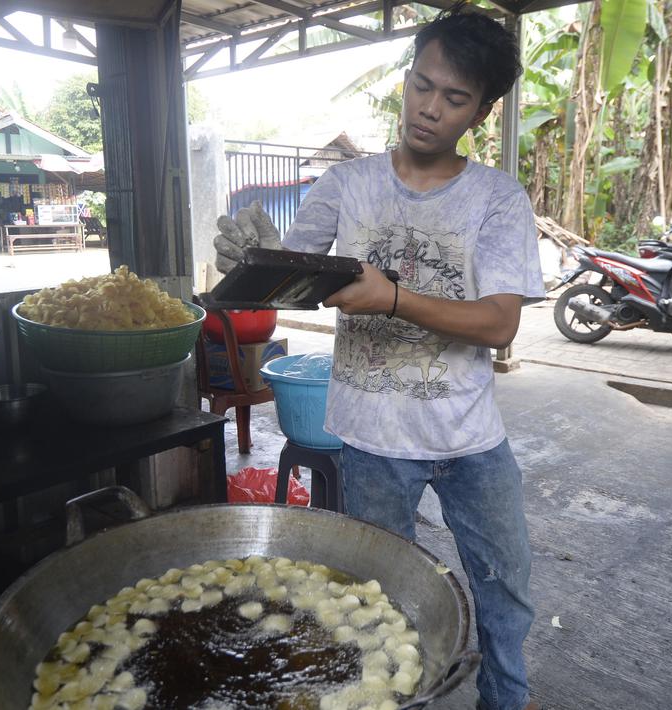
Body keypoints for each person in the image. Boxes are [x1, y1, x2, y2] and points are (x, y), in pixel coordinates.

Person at [214, 6, 543, 709]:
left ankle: (506, 701)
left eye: (453, 98)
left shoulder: (496, 199)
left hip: (470, 438)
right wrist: (247, 263)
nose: (428, 108)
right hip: (371, 439)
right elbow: (295, 279)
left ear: (481, 111)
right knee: (375, 603)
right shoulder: (347, 184)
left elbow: (496, 322)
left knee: (504, 595)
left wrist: (393, 298)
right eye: (420, 84)